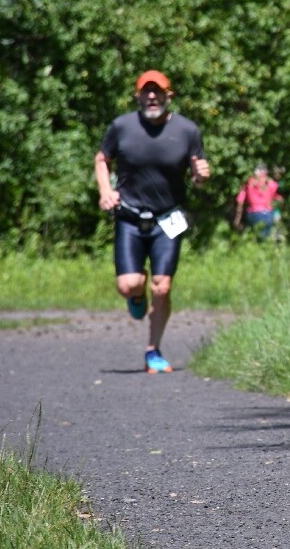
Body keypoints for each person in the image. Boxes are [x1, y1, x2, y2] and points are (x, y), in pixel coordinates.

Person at [94, 70, 211, 374]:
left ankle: (153, 351)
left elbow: (198, 174)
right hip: (130, 217)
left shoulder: (187, 130)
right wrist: (106, 190)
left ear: (168, 96)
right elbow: (102, 159)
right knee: (129, 284)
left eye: (157, 92)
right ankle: (136, 293)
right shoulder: (122, 127)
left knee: (163, 288)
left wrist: (201, 176)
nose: (151, 97)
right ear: (137, 96)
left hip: (168, 219)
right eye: (145, 92)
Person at [234, 162, 285, 240]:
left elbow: (240, 201)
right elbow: (279, 199)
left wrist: (238, 218)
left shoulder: (248, 183)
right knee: (266, 239)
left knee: (253, 238)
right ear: (265, 171)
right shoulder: (272, 183)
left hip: (252, 214)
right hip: (267, 214)